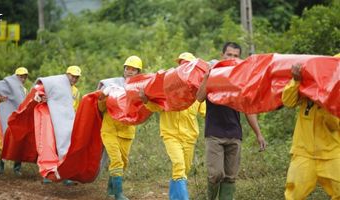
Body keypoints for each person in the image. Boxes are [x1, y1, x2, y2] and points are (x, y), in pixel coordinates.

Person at [196, 42, 267, 200]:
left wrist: (259, 134)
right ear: (222, 56)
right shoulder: (213, 74)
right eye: (229, 54)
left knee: (230, 177)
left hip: (234, 134)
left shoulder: (241, 80)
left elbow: (248, 109)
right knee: (215, 174)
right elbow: (199, 98)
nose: (232, 58)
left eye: (235, 55)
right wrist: (207, 77)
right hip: (214, 133)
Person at [139, 52, 205, 200]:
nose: (183, 66)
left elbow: (206, 112)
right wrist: (145, 100)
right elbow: (155, 106)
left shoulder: (197, 93)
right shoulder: (167, 87)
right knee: (179, 166)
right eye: (181, 64)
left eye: (187, 64)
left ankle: (174, 197)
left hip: (190, 137)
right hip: (170, 134)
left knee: (184, 170)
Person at [282, 61, 340, 199]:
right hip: (303, 152)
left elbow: (334, 126)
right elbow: (288, 101)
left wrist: (327, 103)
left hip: (332, 153)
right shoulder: (308, 86)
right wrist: (296, 81)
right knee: (294, 195)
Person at [98, 56, 142, 200]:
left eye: (133, 69)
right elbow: (100, 107)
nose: (129, 71)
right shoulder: (111, 85)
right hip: (109, 129)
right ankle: (118, 194)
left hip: (127, 131)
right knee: (116, 160)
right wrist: (103, 97)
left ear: (138, 72)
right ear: (123, 70)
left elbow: (142, 110)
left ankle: (111, 189)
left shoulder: (139, 88)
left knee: (123, 163)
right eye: (127, 68)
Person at [37, 65, 81, 186]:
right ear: (66, 75)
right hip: (52, 119)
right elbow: (38, 94)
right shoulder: (55, 85)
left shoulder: (76, 91)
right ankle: (49, 174)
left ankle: (65, 175)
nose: (74, 79)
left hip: (67, 121)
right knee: (51, 146)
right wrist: (42, 98)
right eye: (72, 76)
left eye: (76, 77)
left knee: (66, 147)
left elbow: (75, 107)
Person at [0, 67, 29, 176]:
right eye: (20, 76)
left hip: (18, 121)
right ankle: (1, 164)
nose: (22, 79)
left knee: (19, 143)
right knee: (3, 141)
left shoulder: (25, 91)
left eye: (24, 77)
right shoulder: (4, 87)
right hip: (5, 120)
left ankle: (17, 168)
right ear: (16, 76)